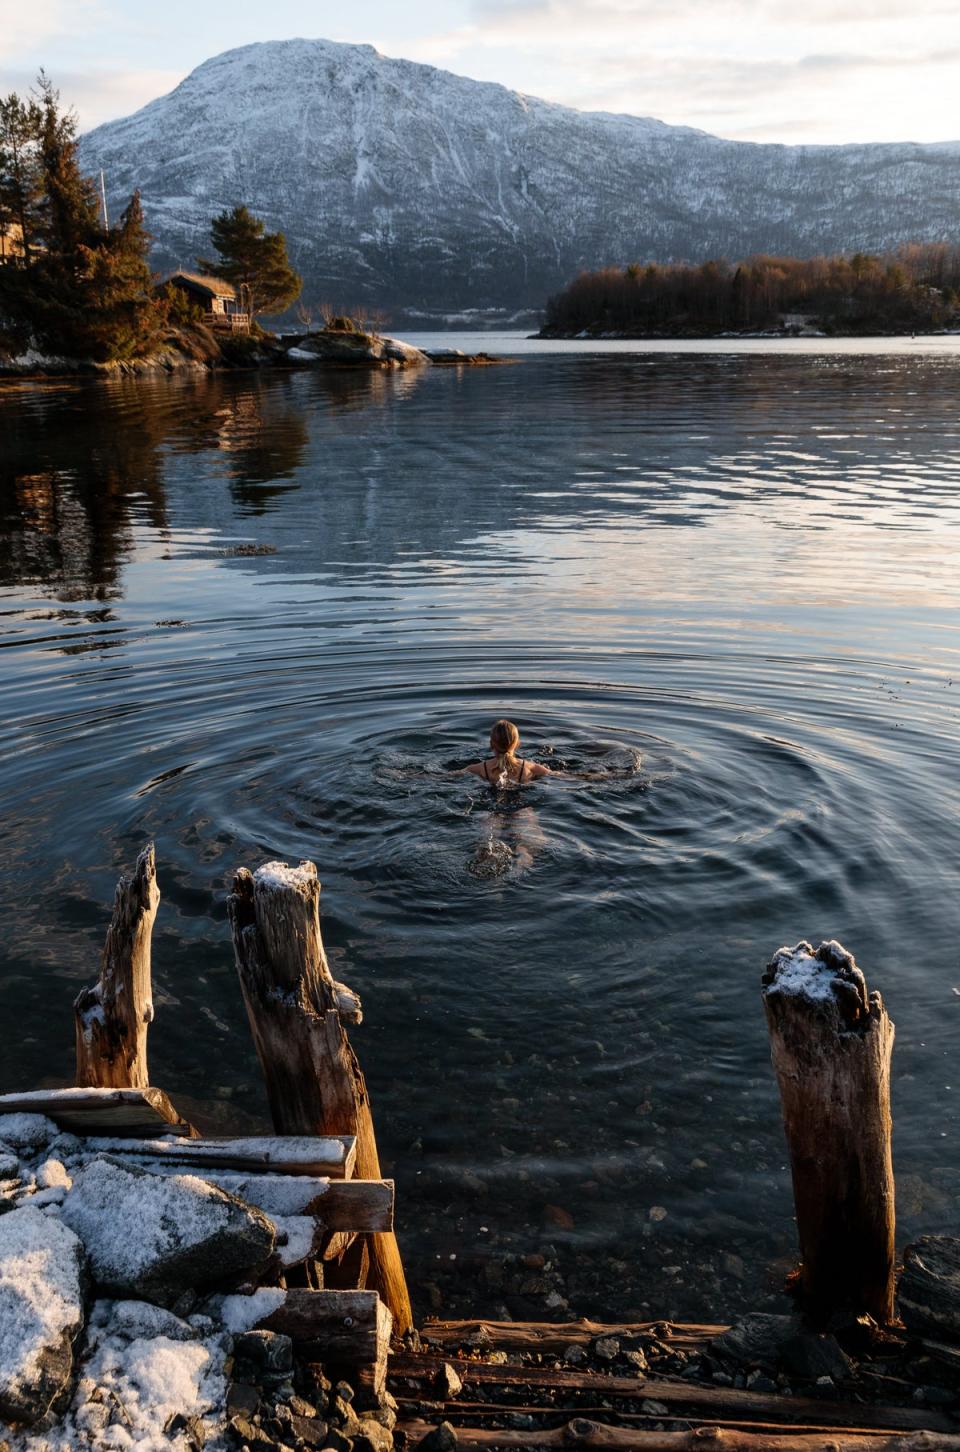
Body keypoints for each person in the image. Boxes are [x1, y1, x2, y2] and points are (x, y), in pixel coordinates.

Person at [464, 719, 552, 786]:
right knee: (527, 810)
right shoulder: (529, 767)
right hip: (521, 802)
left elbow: (453, 775)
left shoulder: (480, 768)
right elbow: (558, 776)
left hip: (491, 801)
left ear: (491, 744)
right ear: (517, 744)